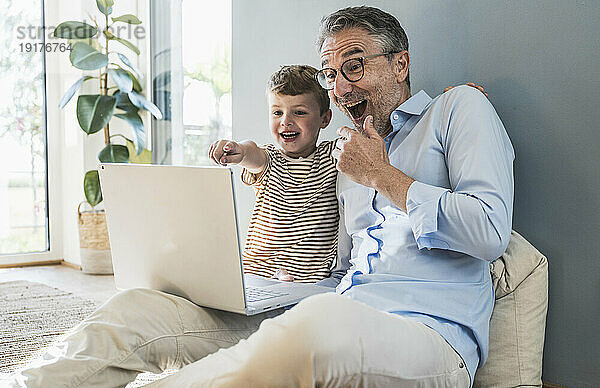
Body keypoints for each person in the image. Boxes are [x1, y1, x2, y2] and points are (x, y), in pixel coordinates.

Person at [7, 7, 510, 388]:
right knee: (140, 308)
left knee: (316, 323)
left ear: (401, 64)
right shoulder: (344, 151)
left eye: (352, 68)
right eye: (329, 74)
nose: (338, 87)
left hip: (429, 336)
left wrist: (382, 175)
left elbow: (488, 232)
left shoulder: (458, 110)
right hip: (333, 302)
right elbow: (285, 169)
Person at [208, 65, 339, 283]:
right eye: (277, 112)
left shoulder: (331, 157)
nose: (286, 121)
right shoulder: (270, 160)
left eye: (299, 112)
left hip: (306, 282)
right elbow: (253, 153)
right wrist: (238, 150)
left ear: (325, 119)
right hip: (257, 275)